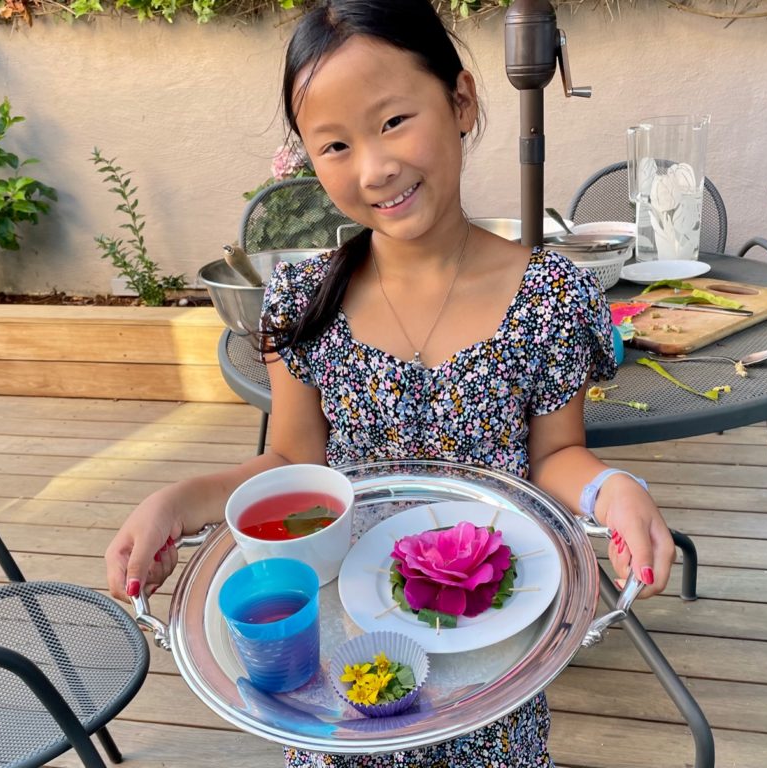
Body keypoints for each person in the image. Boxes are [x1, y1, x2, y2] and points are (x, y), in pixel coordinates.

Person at [105, 0, 674, 764]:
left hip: (488, 650)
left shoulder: (550, 295)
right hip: (345, 660)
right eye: (335, 144)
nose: (374, 167)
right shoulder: (306, 296)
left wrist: (615, 492)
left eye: (395, 121)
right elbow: (290, 466)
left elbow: (556, 459)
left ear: (461, 101)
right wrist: (175, 500)